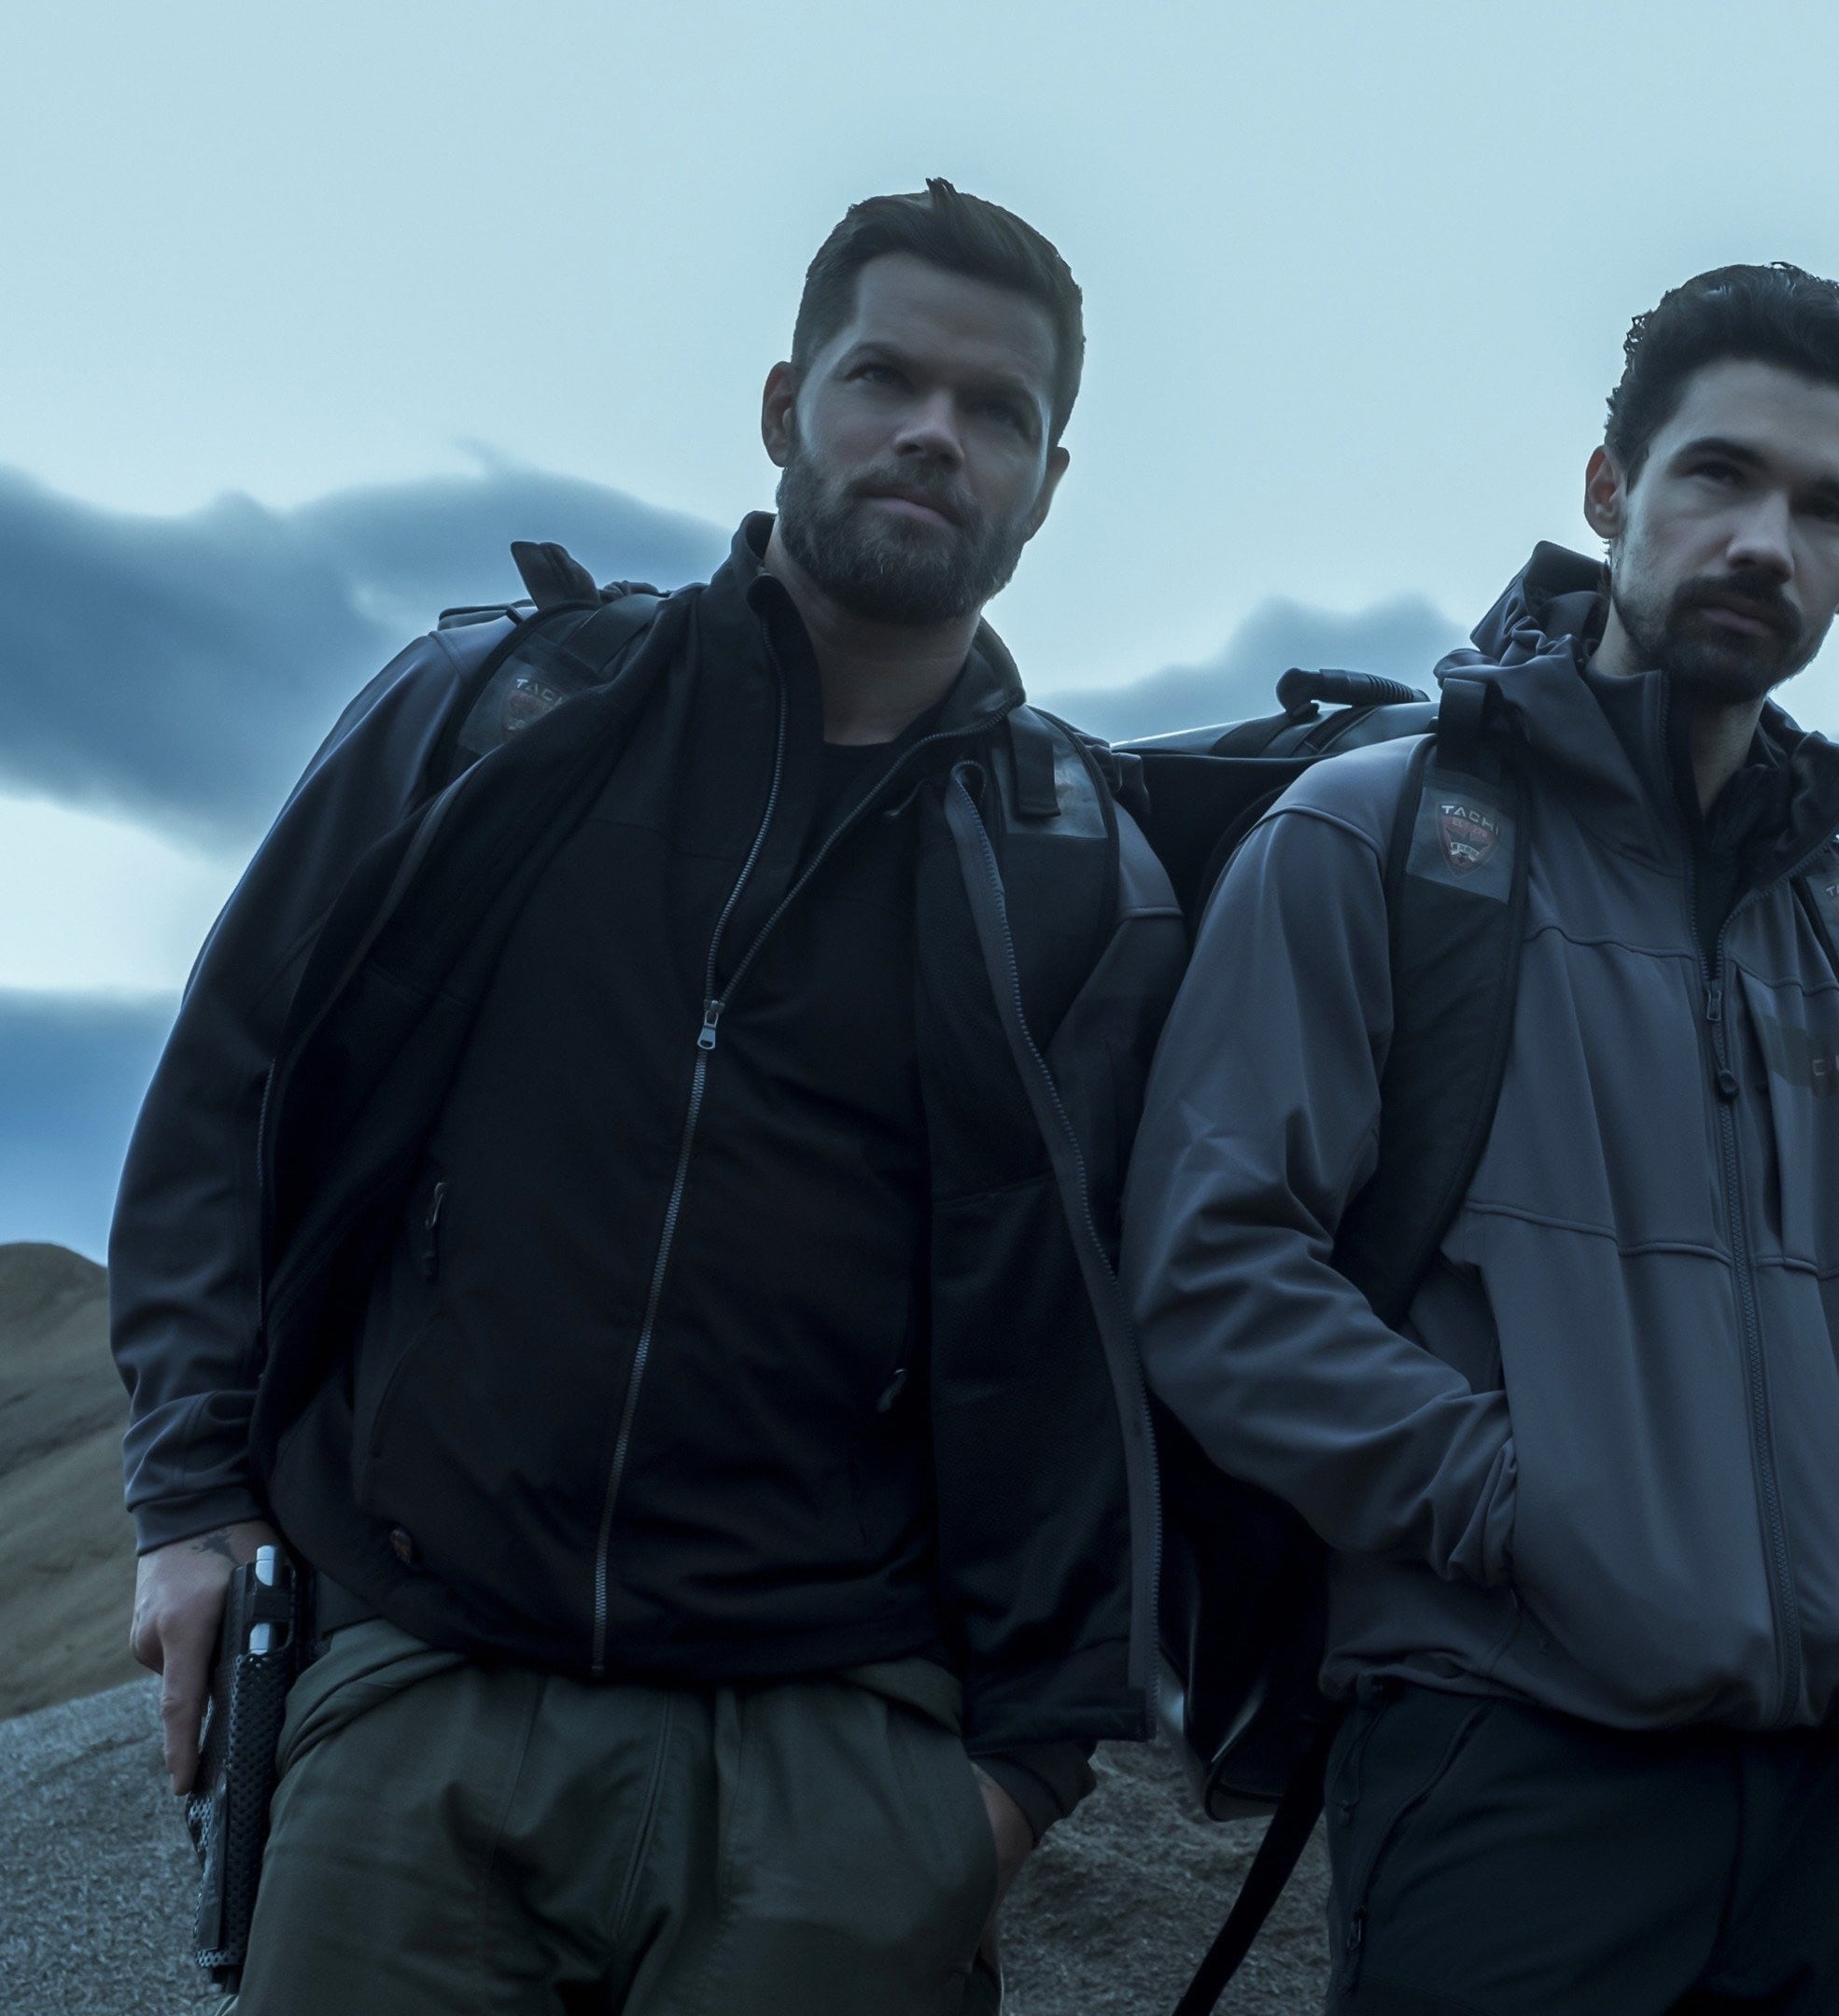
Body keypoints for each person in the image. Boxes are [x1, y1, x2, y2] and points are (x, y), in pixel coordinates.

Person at [109, 181, 1179, 2015]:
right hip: (421, 1689)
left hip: (837, 1753)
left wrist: (1013, 1784)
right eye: (885, 378)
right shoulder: (499, 715)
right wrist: (190, 1495)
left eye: (995, 409)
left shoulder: (1079, 873)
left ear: (1048, 484)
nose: (934, 432)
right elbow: (234, 1078)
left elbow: (1111, 1344)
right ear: (784, 408)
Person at [1123, 263, 1839, 2016]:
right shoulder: (1371, 839)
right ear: (1610, 488)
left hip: (1822, 1787)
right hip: (1503, 1750)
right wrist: (1521, 1508)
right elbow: (1216, 1270)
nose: (1764, 540)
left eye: (1824, 509)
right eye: (1718, 475)